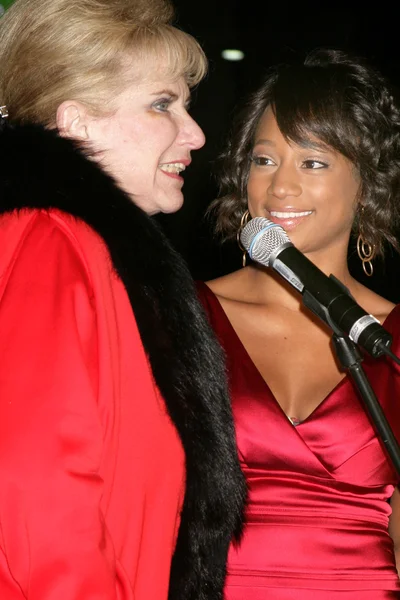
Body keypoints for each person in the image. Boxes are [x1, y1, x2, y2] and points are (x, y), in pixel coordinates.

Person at [0, 1, 246, 599]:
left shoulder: (93, 251)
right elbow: (36, 498)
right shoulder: (48, 238)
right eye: (163, 104)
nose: (196, 134)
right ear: (77, 122)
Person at [198, 49, 400, 599]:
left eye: (312, 162)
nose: (279, 189)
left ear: (367, 182)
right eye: (264, 160)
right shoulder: (186, 314)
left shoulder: (390, 340)